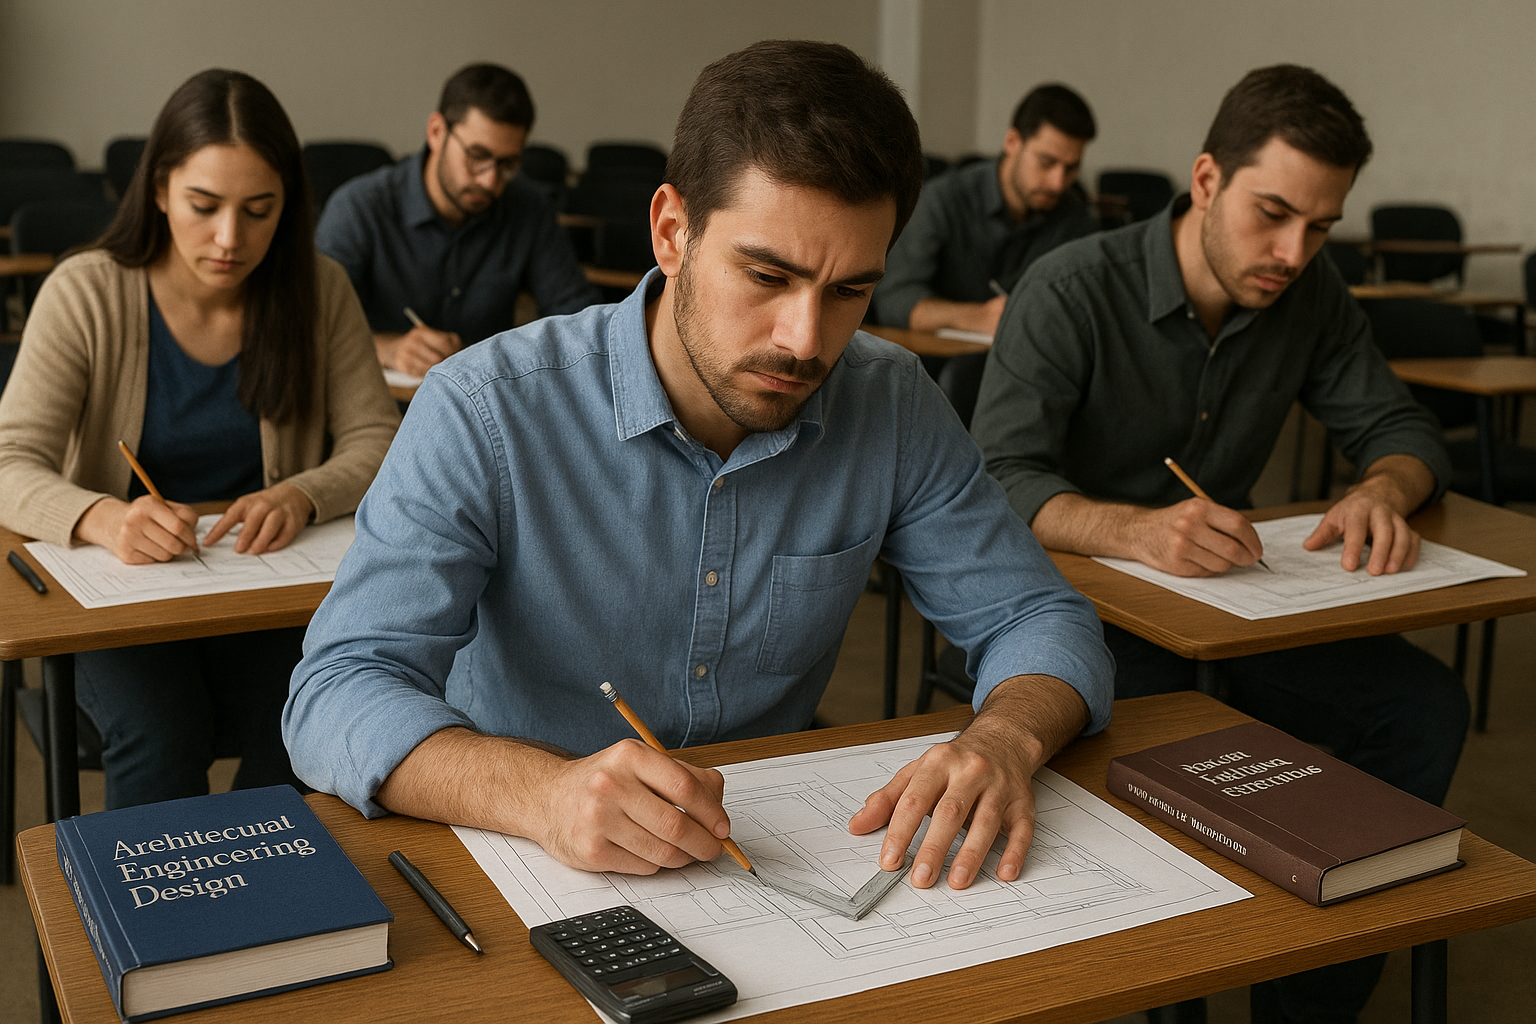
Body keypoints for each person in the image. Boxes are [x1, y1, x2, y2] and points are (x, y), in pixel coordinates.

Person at [286, 40, 1114, 894]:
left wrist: (1002, 739)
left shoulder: (892, 401)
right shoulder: (484, 408)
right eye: (767, 275)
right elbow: (336, 692)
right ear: (672, 232)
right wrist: (541, 794)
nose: (804, 340)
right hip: (528, 858)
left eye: (849, 292)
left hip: (778, 862)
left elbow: (1038, 616)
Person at [970, 64, 1467, 1023]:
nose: (1292, 252)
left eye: (1320, 227)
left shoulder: (1310, 294)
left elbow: (1403, 430)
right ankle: (1177, 984)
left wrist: (1383, 488)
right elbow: (997, 477)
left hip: (1234, 607)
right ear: (1206, 180)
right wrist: (1131, 528)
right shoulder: (1072, 287)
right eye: (1272, 214)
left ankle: (1307, 1003)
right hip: (1085, 619)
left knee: (1423, 709)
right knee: (1178, 736)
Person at [0, 69, 399, 809]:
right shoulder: (86, 291)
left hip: (260, 590)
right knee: (162, 732)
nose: (229, 239)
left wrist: (303, 493)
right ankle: (155, 889)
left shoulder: (319, 289)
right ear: (160, 190)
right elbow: (8, 461)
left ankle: (266, 878)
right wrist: (104, 517)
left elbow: (377, 436)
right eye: (204, 206)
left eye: (259, 210)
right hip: (123, 595)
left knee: (313, 715)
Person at [316, 63, 599, 377]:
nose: (490, 181)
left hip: (484, 399)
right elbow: (310, 324)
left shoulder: (528, 208)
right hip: (383, 398)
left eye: (507, 164)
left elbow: (578, 318)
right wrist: (387, 349)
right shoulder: (360, 207)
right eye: (477, 156)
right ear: (436, 132)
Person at [870, 83, 1096, 334]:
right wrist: (977, 317)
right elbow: (894, 301)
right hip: (935, 355)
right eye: (1046, 162)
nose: (1058, 183)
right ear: (1012, 141)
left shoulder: (1074, 217)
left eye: (1071, 168)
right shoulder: (943, 200)